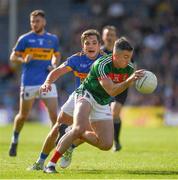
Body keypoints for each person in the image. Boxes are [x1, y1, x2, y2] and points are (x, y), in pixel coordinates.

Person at [43, 37, 145, 173]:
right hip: (86, 94)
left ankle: (71, 135)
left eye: (130, 57)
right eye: (125, 57)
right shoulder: (101, 64)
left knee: (106, 144)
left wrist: (142, 81)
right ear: (115, 56)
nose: (128, 61)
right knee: (79, 128)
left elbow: (118, 90)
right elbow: (111, 90)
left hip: (102, 102)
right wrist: (130, 80)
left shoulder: (129, 68)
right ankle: (50, 164)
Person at [28, 29, 104, 170]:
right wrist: (47, 82)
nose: (91, 46)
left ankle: (70, 145)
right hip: (79, 96)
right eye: (87, 43)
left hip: (98, 101)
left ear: (100, 45)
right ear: (83, 46)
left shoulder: (106, 61)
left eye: (94, 43)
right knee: (57, 127)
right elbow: (57, 71)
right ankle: (40, 162)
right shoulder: (76, 59)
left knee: (90, 133)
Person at [8, 10, 61, 157]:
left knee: (54, 116)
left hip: (47, 81)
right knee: (23, 115)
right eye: (32, 21)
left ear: (44, 22)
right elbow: (13, 56)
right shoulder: (25, 39)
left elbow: (56, 55)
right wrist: (23, 59)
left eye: (37, 21)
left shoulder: (53, 39)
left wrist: (54, 64)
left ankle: (53, 145)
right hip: (29, 82)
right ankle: (15, 139)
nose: (34, 24)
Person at [102, 25, 131, 151]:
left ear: (115, 37)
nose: (109, 37)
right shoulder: (100, 52)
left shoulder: (123, 51)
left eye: (111, 35)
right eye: (107, 34)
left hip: (120, 86)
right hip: (104, 87)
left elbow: (132, 67)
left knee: (114, 112)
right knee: (109, 115)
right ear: (103, 37)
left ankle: (116, 141)